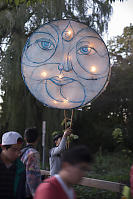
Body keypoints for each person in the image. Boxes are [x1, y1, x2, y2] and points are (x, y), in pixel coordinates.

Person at [0, 131, 26, 199]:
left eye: (19, 150)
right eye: (14, 150)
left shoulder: (21, 168)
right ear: (3, 147)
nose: (17, 153)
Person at [20, 127, 41, 199]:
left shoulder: (21, 151)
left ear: (25, 138)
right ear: (38, 138)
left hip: (19, 189)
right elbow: (32, 177)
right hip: (27, 193)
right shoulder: (33, 154)